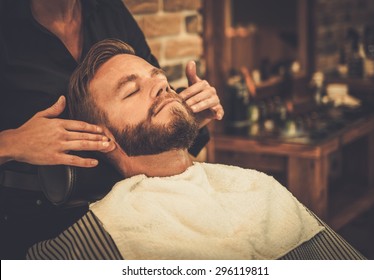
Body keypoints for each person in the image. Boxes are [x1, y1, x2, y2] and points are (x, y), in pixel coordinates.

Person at [27, 39, 365, 260]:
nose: (160, 84)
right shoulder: (106, 233)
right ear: (103, 137)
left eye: (159, 77)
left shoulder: (258, 186)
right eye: (131, 92)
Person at [0, 0, 222, 259]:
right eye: (130, 91)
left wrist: (186, 115)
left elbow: (149, 96)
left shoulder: (109, 10)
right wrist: (11, 143)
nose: (161, 85)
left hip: (127, 198)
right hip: (33, 216)